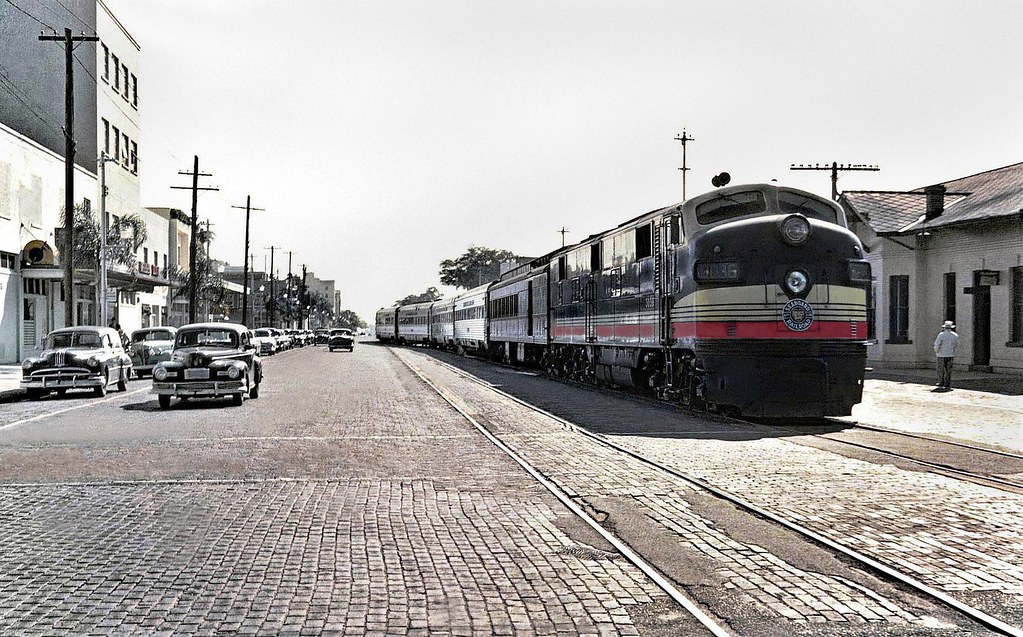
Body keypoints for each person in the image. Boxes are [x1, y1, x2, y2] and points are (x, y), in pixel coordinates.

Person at [933, 319, 959, 390]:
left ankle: (941, 381)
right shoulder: (955, 335)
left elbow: (937, 344)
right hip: (950, 354)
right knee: (948, 369)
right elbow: (955, 345)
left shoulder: (941, 335)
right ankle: (947, 382)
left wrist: (936, 351)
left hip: (941, 354)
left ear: (944, 327)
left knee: (941, 369)